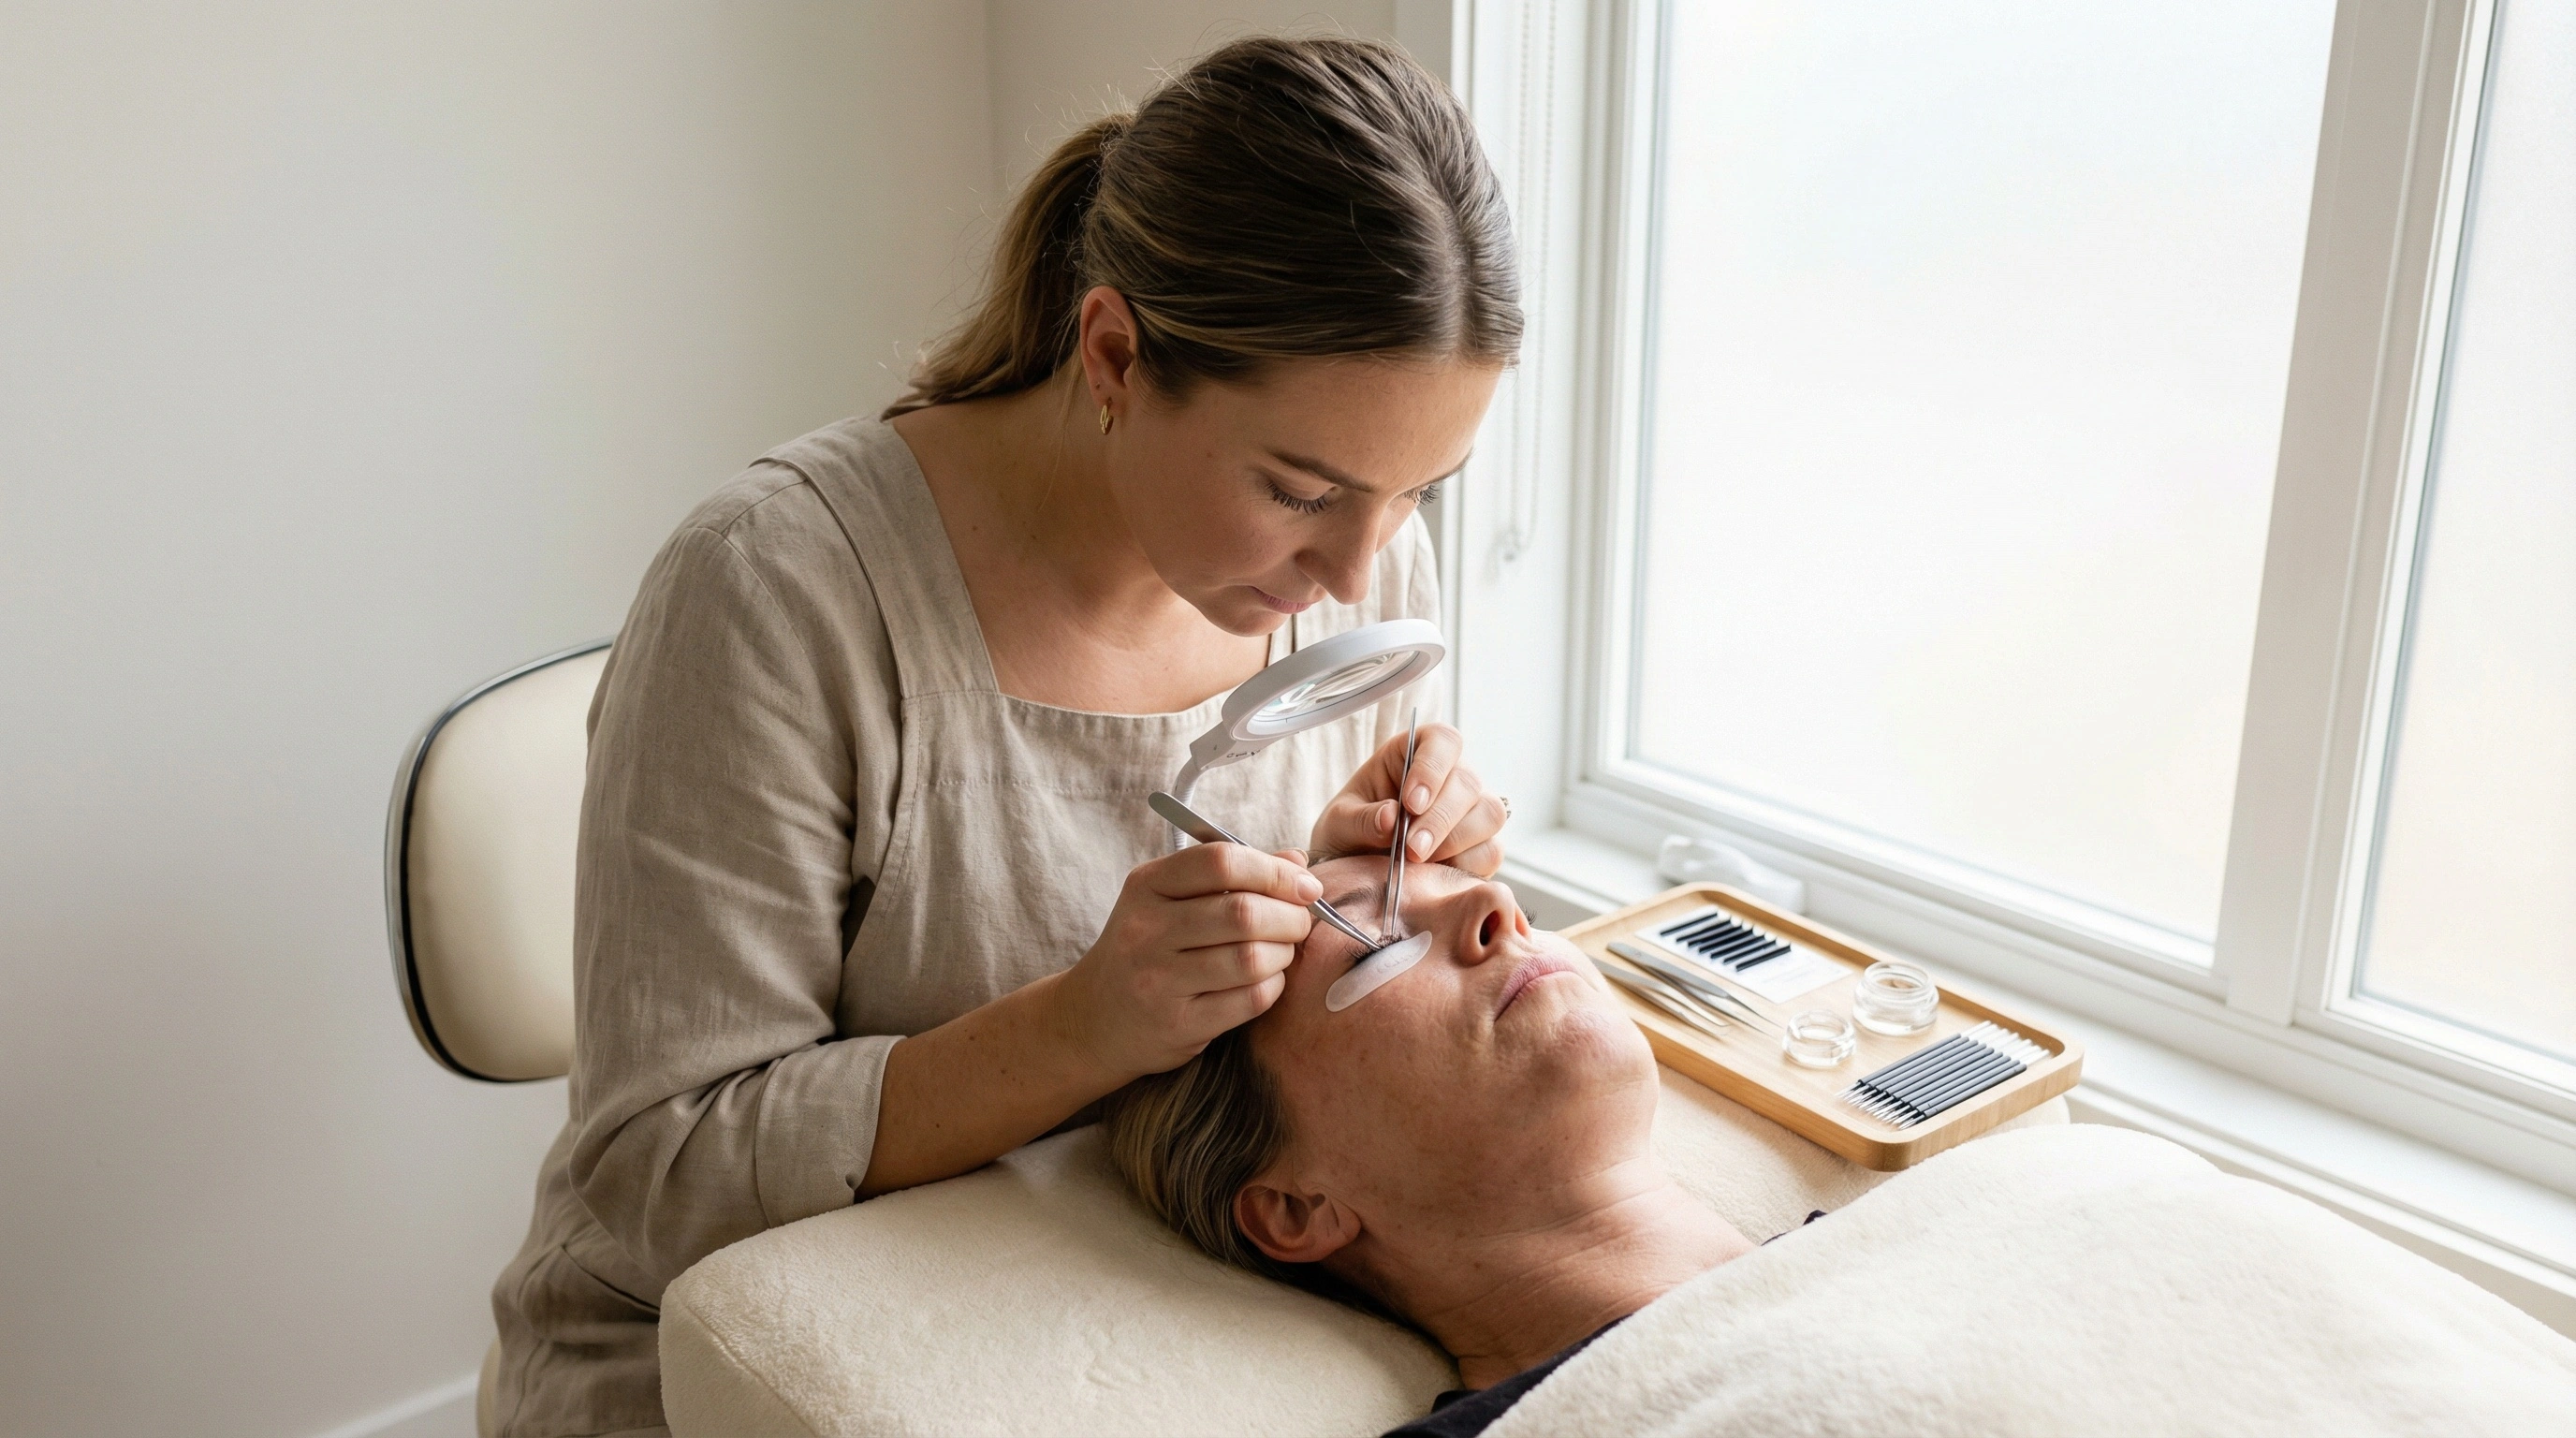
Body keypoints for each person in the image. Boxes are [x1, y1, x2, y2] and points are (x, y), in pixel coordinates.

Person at [485, 37, 1520, 1438]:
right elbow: (662, 1182)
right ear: (1112, 354)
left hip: (1103, 1307)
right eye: (1297, 489)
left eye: (1421, 493)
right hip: (729, 1358)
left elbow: (1278, 1062)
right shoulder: (777, 591)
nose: (1357, 569)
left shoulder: (1362, 563)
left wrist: (1366, 876)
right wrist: (1083, 1027)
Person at [1105, 858, 1759, 1438]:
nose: (1498, 904)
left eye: (1488, 890)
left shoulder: (1858, 1248)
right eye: (1378, 949)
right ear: (1296, 1209)